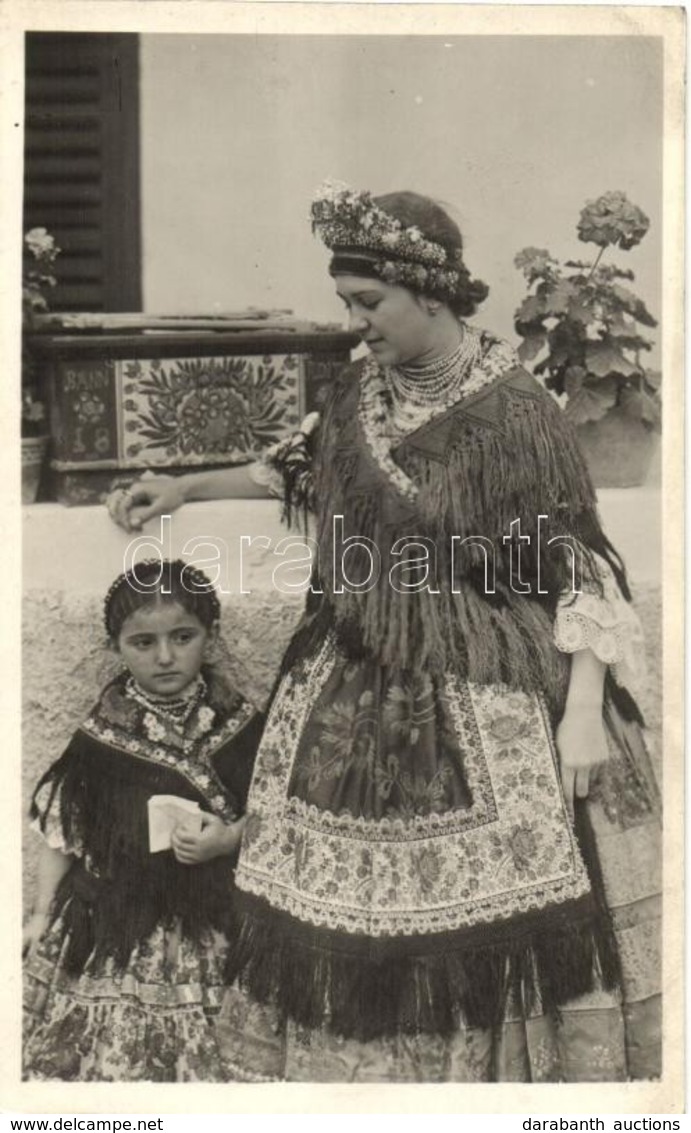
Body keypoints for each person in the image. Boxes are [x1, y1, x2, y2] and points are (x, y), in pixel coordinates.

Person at [107, 182, 661, 1083]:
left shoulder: (518, 412)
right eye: (347, 305)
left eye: (368, 305)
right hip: (354, 657)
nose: (355, 324)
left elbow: (580, 565)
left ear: (429, 294)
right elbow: (291, 468)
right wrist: (180, 488)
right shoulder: (359, 390)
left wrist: (585, 708)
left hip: (490, 665)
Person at [23, 559, 264, 1082]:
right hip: (120, 919)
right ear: (116, 646)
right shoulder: (102, 735)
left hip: (213, 909)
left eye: (183, 637)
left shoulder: (239, 721)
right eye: (143, 643)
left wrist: (226, 841)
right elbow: (63, 832)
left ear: (211, 636)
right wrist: (41, 914)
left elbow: (275, 813)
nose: (165, 657)